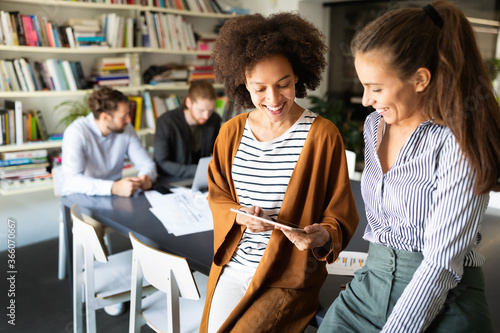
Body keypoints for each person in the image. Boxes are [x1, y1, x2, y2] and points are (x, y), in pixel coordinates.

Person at [319, 2, 500, 332]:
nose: (365, 99)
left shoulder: (458, 143)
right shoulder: (375, 125)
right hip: (369, 286)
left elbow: (442, 264)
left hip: (444, 297)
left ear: (420, 79)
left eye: (376, 88)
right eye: (363, 86)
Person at [201, 12, 359, 332]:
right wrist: (238, 217)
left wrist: (323, 234)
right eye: (259, 89)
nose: (273, 100)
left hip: (289, 274)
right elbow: (218, 196)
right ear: (244, 84)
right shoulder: (231, 132)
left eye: (283, 84)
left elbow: (339, 214)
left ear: (298, 76)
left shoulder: (322, 135)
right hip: (236, 265)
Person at [61, 87, 157, 315]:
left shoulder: (125, 129)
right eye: (124, 115)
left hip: (119, 196)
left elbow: (148, 165)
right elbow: (72, 181)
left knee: (157, 215)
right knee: (91, 228)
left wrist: (145, 178)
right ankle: (103, 287)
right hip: (86, 197)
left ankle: (155, 276)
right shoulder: (76, 133)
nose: (129, 119)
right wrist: (113, 186)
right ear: (105, 117)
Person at [153, 80, 221, 178]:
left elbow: (218, 153)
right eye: (201, 110)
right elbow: (162, 162)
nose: (206, 116)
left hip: (203, 178)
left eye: (210, 111)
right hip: (172, 179)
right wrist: (199, 171)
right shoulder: (166, 122)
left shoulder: (214, 119)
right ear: (188, 102)